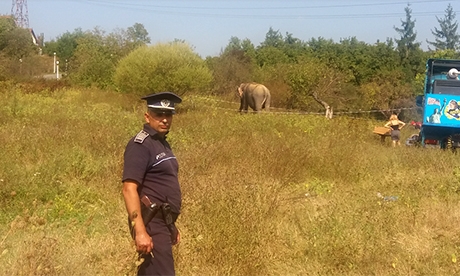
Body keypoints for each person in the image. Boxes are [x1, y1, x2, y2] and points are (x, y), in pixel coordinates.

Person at [122, 92, 182, 275]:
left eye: (168, 114)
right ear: (147, 116)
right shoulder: (140, 145)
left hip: (163, 221)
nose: (164, 119)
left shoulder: (162, 143)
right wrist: (140, 231)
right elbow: (128, 189)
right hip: (150, 222)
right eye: (159, 114)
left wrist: (171, 225)